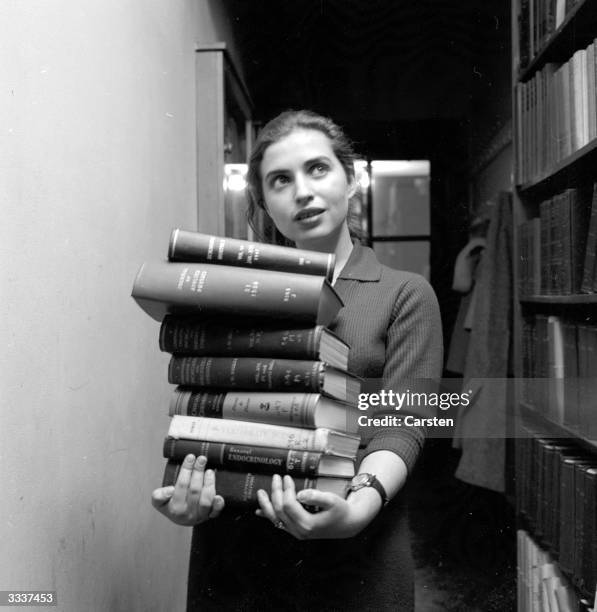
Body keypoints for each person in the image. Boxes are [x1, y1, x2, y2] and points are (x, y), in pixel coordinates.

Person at [151, 110, 443, 610]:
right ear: (264, 200)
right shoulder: (239, 293)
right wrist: (185, 493)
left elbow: (405, 425)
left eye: (318, 169)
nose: (302, 192)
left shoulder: (405, 294)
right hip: (240, 560)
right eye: (280, 181)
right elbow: (210, 410)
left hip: (358, 550)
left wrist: (358, 507)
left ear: (351, 180)